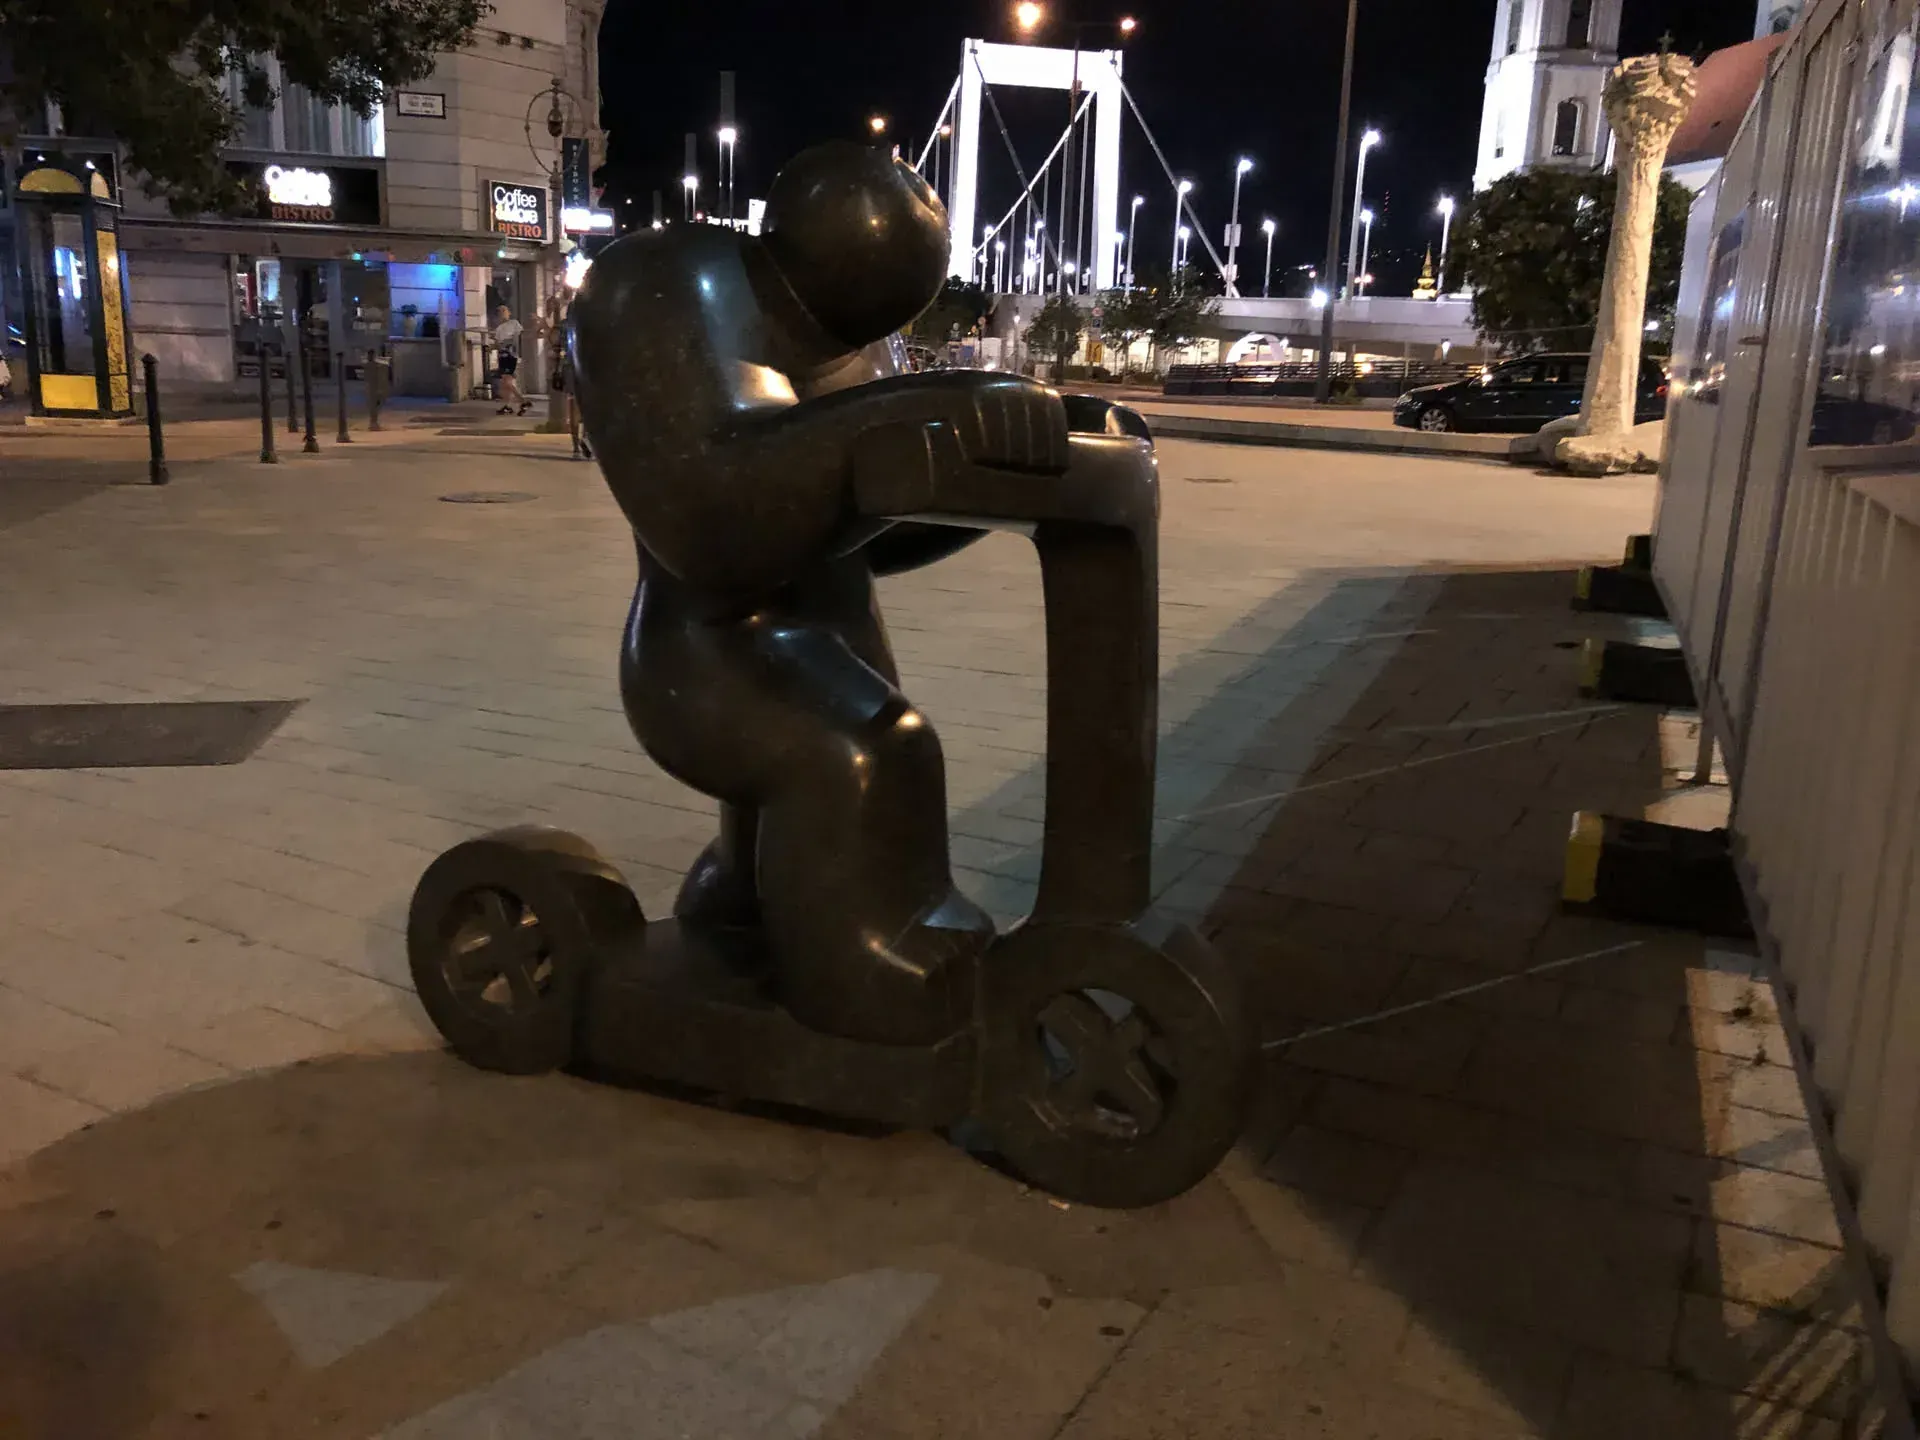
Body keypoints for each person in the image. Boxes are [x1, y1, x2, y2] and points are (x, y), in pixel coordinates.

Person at [491, 304, 529, 415]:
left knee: (507, 382)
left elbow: (518, 337)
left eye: (504, 310)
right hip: (502, 356)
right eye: (500, 311)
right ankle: (507, 406)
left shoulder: (514, 324)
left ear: (509, 312)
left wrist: (507, 344)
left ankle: (523, 401)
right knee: (505, 383)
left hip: (511, 355)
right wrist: (493, 347)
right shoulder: (498, 329)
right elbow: (498, 344)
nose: (502, 313)